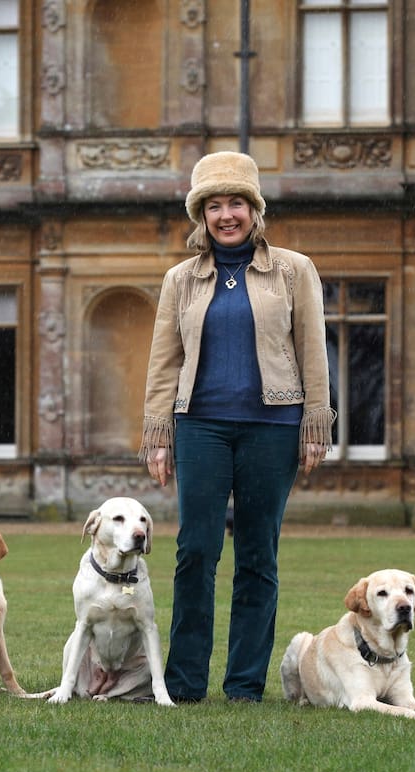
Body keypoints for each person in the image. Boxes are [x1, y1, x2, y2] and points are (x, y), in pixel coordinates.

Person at [140, 151, 335, 704]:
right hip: (199, 426)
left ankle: (245, 684)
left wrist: (314, 424)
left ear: (255, 210)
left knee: (258, 555)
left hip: (273, 426)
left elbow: (312, 352)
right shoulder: (180, 279)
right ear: (200, 215)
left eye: (237, 204)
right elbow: (163, 360)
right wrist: (158, 434)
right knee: (195, 551)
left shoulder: (294, 270)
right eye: (215, 206)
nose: (227, 215)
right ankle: (183, 681)